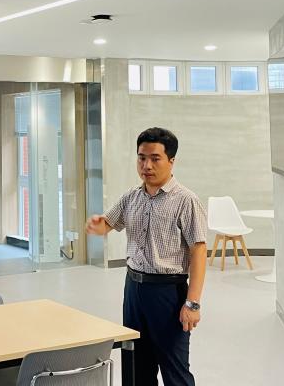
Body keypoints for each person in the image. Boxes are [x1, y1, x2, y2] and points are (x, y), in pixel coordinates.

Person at [86, 127, 207, 386]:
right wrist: (99, 225)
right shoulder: (131, 197)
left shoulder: (186, 201)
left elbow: (198, 251)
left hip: (168, 293)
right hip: (134, 290)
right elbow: (108, 223)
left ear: (171, 161)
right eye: (141, 158)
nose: (146, 166)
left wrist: (193, 303)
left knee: (175, 371)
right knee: (136, 367)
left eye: (155, 158)